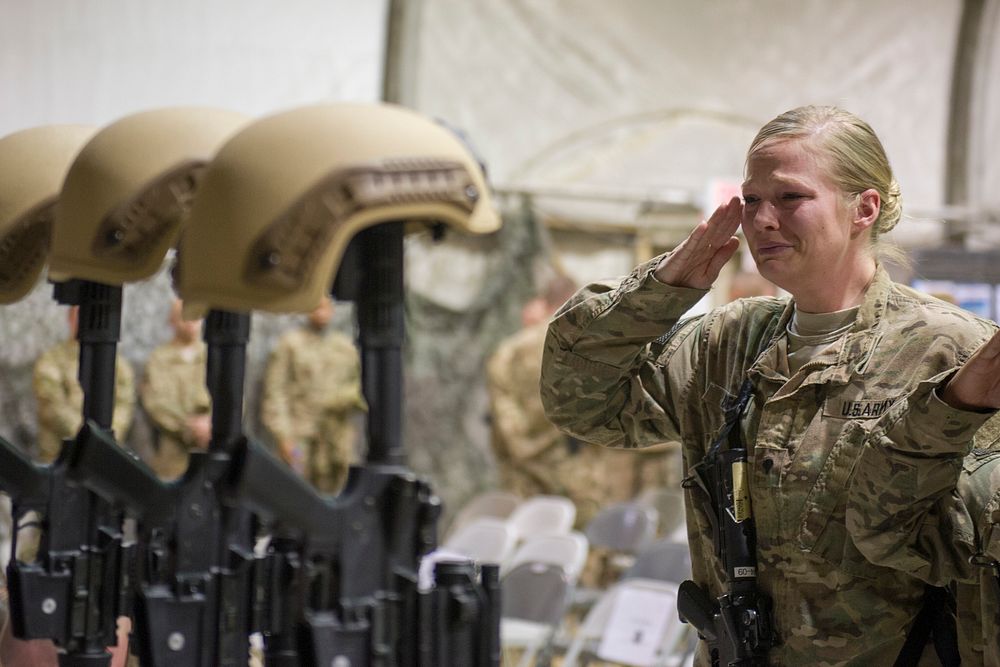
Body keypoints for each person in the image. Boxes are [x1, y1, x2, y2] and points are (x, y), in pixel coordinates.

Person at [540, 105, 1000, 665]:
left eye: (790, 198)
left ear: (865, 208)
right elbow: (584, 404)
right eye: (751, 200)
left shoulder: (951, 352)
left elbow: (973, 551)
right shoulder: (728, 343)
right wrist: (656, 292)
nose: (761, 220)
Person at [487, 274, 638, 528]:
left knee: (530, 553)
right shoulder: (585, 346)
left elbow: (504, 425)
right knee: (582, 548)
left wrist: (527, 453)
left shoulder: (507, 353)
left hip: (524, 478)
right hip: (579, 472)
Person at [261, 296, 367, 494]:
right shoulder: (290, 345)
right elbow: (275, 393)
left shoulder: (345, 348)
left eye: (325, 306)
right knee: (294, 492)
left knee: (334, 495)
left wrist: (343, 399)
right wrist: (283, 435)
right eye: (315, 306)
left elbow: (360, 389)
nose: (321, 312)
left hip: (335, 437)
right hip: (300, 435)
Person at [33, 305, 135, 462]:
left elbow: (124, 405)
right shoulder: (52, 360)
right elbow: (52, 407)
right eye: (80, 315)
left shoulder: (118, 365)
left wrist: (107, 439)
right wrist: (90, 439)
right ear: (70, 318)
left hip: (104, 457)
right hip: (60, 456)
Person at [140, 299, 212, 480]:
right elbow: (156, 403)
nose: (191, 323)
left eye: (196, 317)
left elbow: (232, 395)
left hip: (212, 448)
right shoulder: (159, 359)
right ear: (172, 320)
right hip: (173, 454)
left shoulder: (213, 355)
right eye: (185, 316)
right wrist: (190, 428)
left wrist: (212, 424)